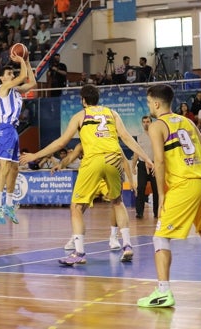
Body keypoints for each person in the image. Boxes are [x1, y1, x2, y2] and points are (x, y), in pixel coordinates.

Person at [20, 84, 153, 265]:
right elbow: (127, 138)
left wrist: (35, 155)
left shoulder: (80, 116)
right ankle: (127, 245)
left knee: (76, 207)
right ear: (98, 99)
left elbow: (60, 143)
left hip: (94, 160)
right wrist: (146, 158)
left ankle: (79, 253)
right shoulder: (112, 113)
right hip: (114, 158)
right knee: (117, 202)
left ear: (83, 100)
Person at [137, 84, 201, 308]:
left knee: (160, 237)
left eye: (149, 102)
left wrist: (161, 195)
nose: (149, 106)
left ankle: (163, 292)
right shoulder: (187, 122)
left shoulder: (157, 126)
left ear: (156, 103)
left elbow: (159, 161)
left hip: (184, 185)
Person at [53, 143, 136, 253]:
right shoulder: (83, 142)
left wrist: (130, 181)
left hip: (106, 176)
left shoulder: (109, 139)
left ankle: (113, 236)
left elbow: (124, 160)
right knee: (78, 208)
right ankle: (75, 236)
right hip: (91, 176)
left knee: (116, 203)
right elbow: (71, 157)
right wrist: (61, 164)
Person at [0, 53, 37, 225]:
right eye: (8, 74)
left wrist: (28, 62)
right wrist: (22, 59)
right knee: (5, 168)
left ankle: (8, 204)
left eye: (11, 73)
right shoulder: (3, 89)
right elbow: (23, 76)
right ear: (2, 78)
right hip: (5, 129)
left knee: (15, 169)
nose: (11, 75)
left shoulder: (15, 90)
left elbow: (32, 83)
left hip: (14, 130)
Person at [131, 116, 158, 219]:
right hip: (142, 165)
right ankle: (139, 212)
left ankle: (156, 212)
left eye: (148, 122)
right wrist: (133, 166)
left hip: (155, 165)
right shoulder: (139, 137)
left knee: (156, 189)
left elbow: (160, 151)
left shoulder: (156, 136)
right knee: (141, 188)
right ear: (142, 124)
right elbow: (136, 152)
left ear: (151, 123)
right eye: (144, 122)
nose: (146, 123)